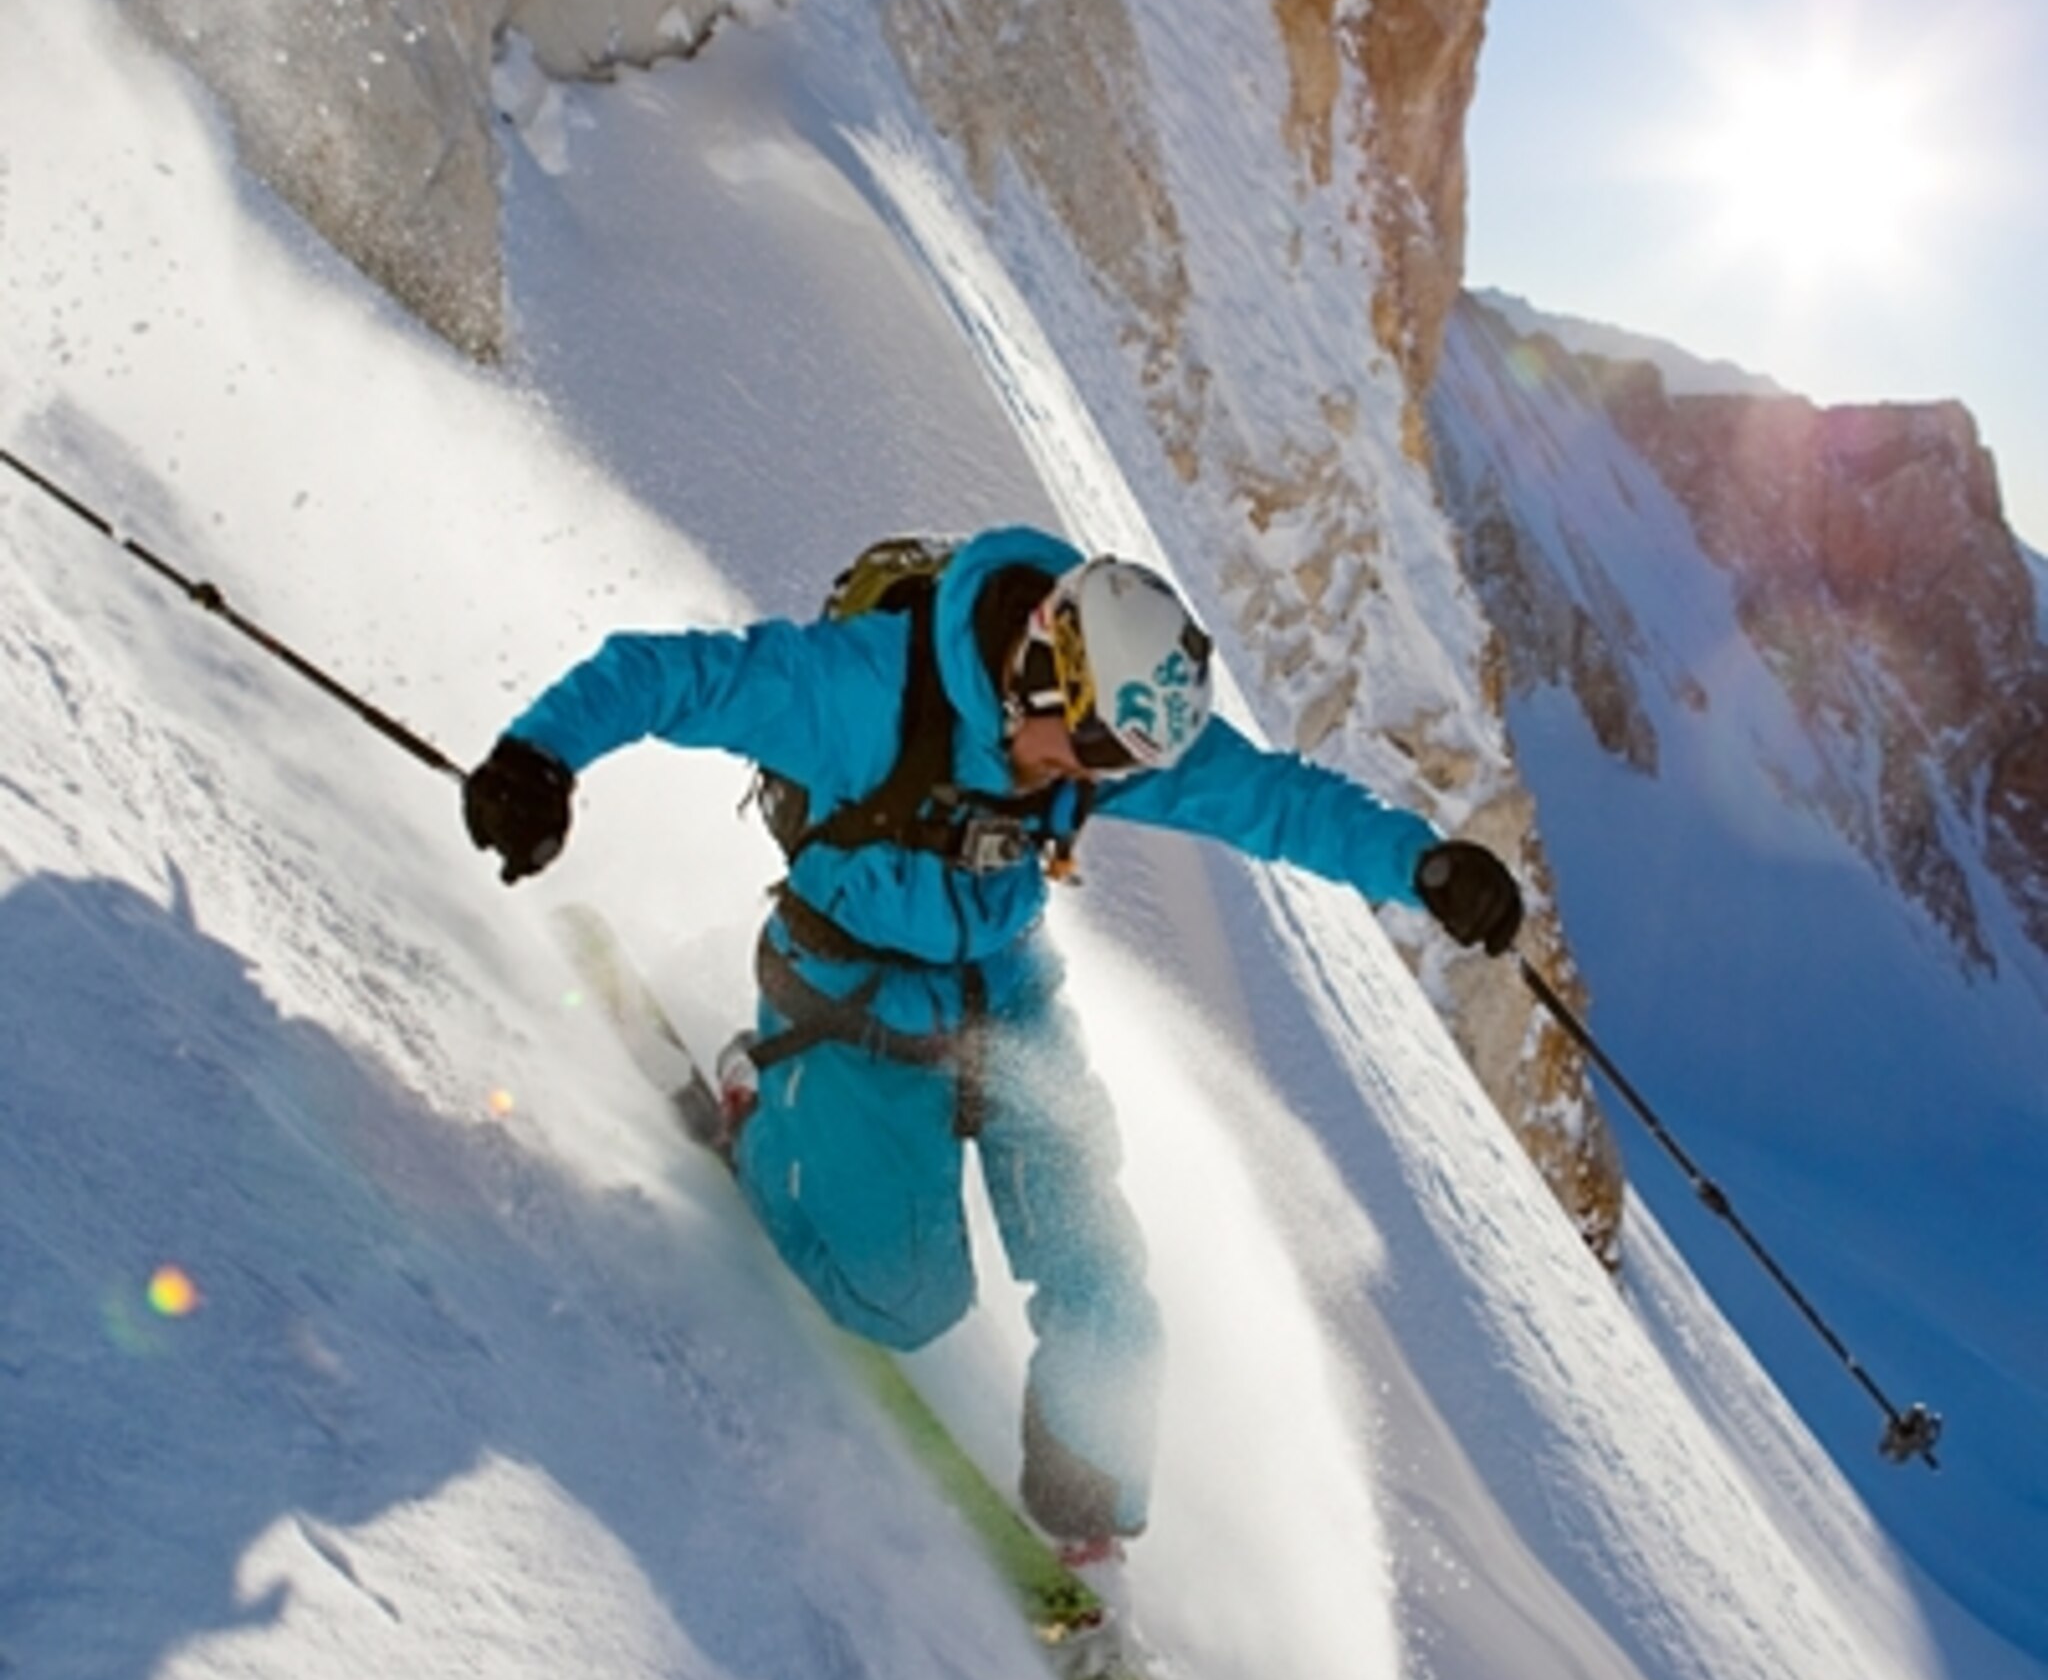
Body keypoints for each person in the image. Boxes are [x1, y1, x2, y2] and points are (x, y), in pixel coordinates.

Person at [463, 525, 1521, 1556]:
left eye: (1115, 771)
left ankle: (1085, 1528)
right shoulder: (863, 693)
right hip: (850, 990)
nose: (1089, 787)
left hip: (1009, 992)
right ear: (1038, 682)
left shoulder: (1107, 729)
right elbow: (672, 676)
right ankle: (758, 1120)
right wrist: (540, 756)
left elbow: (1273, 802)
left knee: (1102, 1286)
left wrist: (1419, 867)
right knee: (902, 1299)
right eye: (1088, 758)